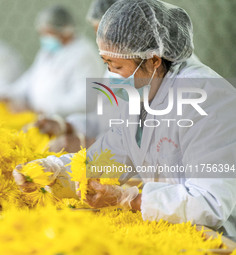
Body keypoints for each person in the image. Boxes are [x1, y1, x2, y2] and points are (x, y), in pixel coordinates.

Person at [13, 0, 236, 239]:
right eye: (106, 64)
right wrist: (54, 170)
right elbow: (109, 156)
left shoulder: (208, 99)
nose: (111, 76)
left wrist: (130, 198)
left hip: (218, 235)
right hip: (171, 226)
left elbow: (211, 203)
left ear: (153, 60)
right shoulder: (142, 94)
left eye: (117, 66)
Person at [33, 1, 117, 152]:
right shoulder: (114, 67)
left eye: (108, 37)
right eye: (98, 35)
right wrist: (66, 126)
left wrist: (87, 143)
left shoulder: (148, 77)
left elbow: (139, 140)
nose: (102, 44)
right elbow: (103, 119)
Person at [8, 5, 103, 127]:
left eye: (49, 33)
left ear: (66, 31)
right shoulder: (47, 51)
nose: (45, 38)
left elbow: (85, 101)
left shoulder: (84, 55)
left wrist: (47, 109)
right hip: (42, 120)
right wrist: (9, 94)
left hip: (69, 126)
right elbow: (31, 77)